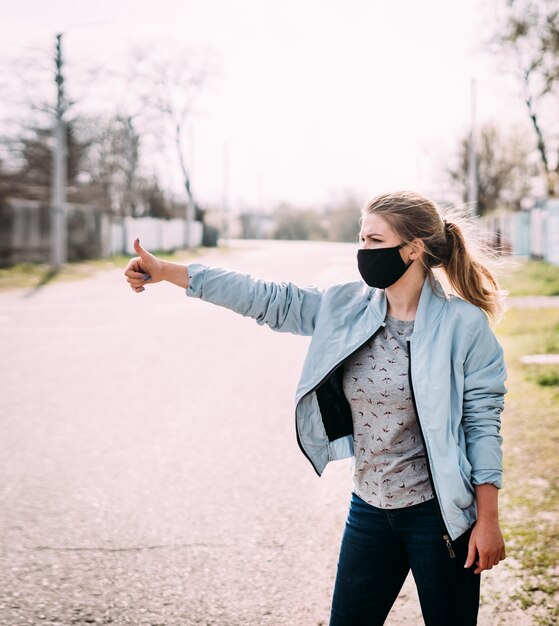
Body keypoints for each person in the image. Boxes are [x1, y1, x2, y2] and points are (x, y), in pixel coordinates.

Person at [123, 190, 508, 626]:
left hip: (438, 516)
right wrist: (170, 272)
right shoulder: (346, 307)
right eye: (360, 239)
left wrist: (487, 520)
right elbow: (267, 297)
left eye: (375, 241)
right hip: (368, 508)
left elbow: (482, 426)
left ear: (414, 249)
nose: (362, 251)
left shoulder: (464, 325)